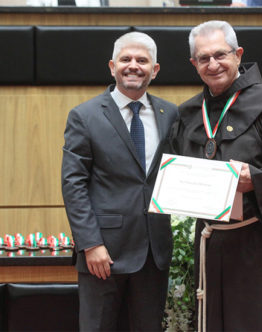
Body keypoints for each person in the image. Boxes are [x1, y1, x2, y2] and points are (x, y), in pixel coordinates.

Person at [170, 20, 262, 331]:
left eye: (220, 55)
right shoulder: (187, 113)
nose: (213, 64)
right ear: (194, 64)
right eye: (204, 58)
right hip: (211, 244)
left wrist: (257, 179)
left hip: (261, 246)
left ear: (238, 54)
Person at [61, 31, 178, 331]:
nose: (133, 66)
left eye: (142, 60)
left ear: (155, 69)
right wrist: (90, 244)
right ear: (112, 67)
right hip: (104, 255)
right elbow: (73, 184)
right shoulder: (85, 116)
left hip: (154, 254)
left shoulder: (171, 114)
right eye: (126, 59)